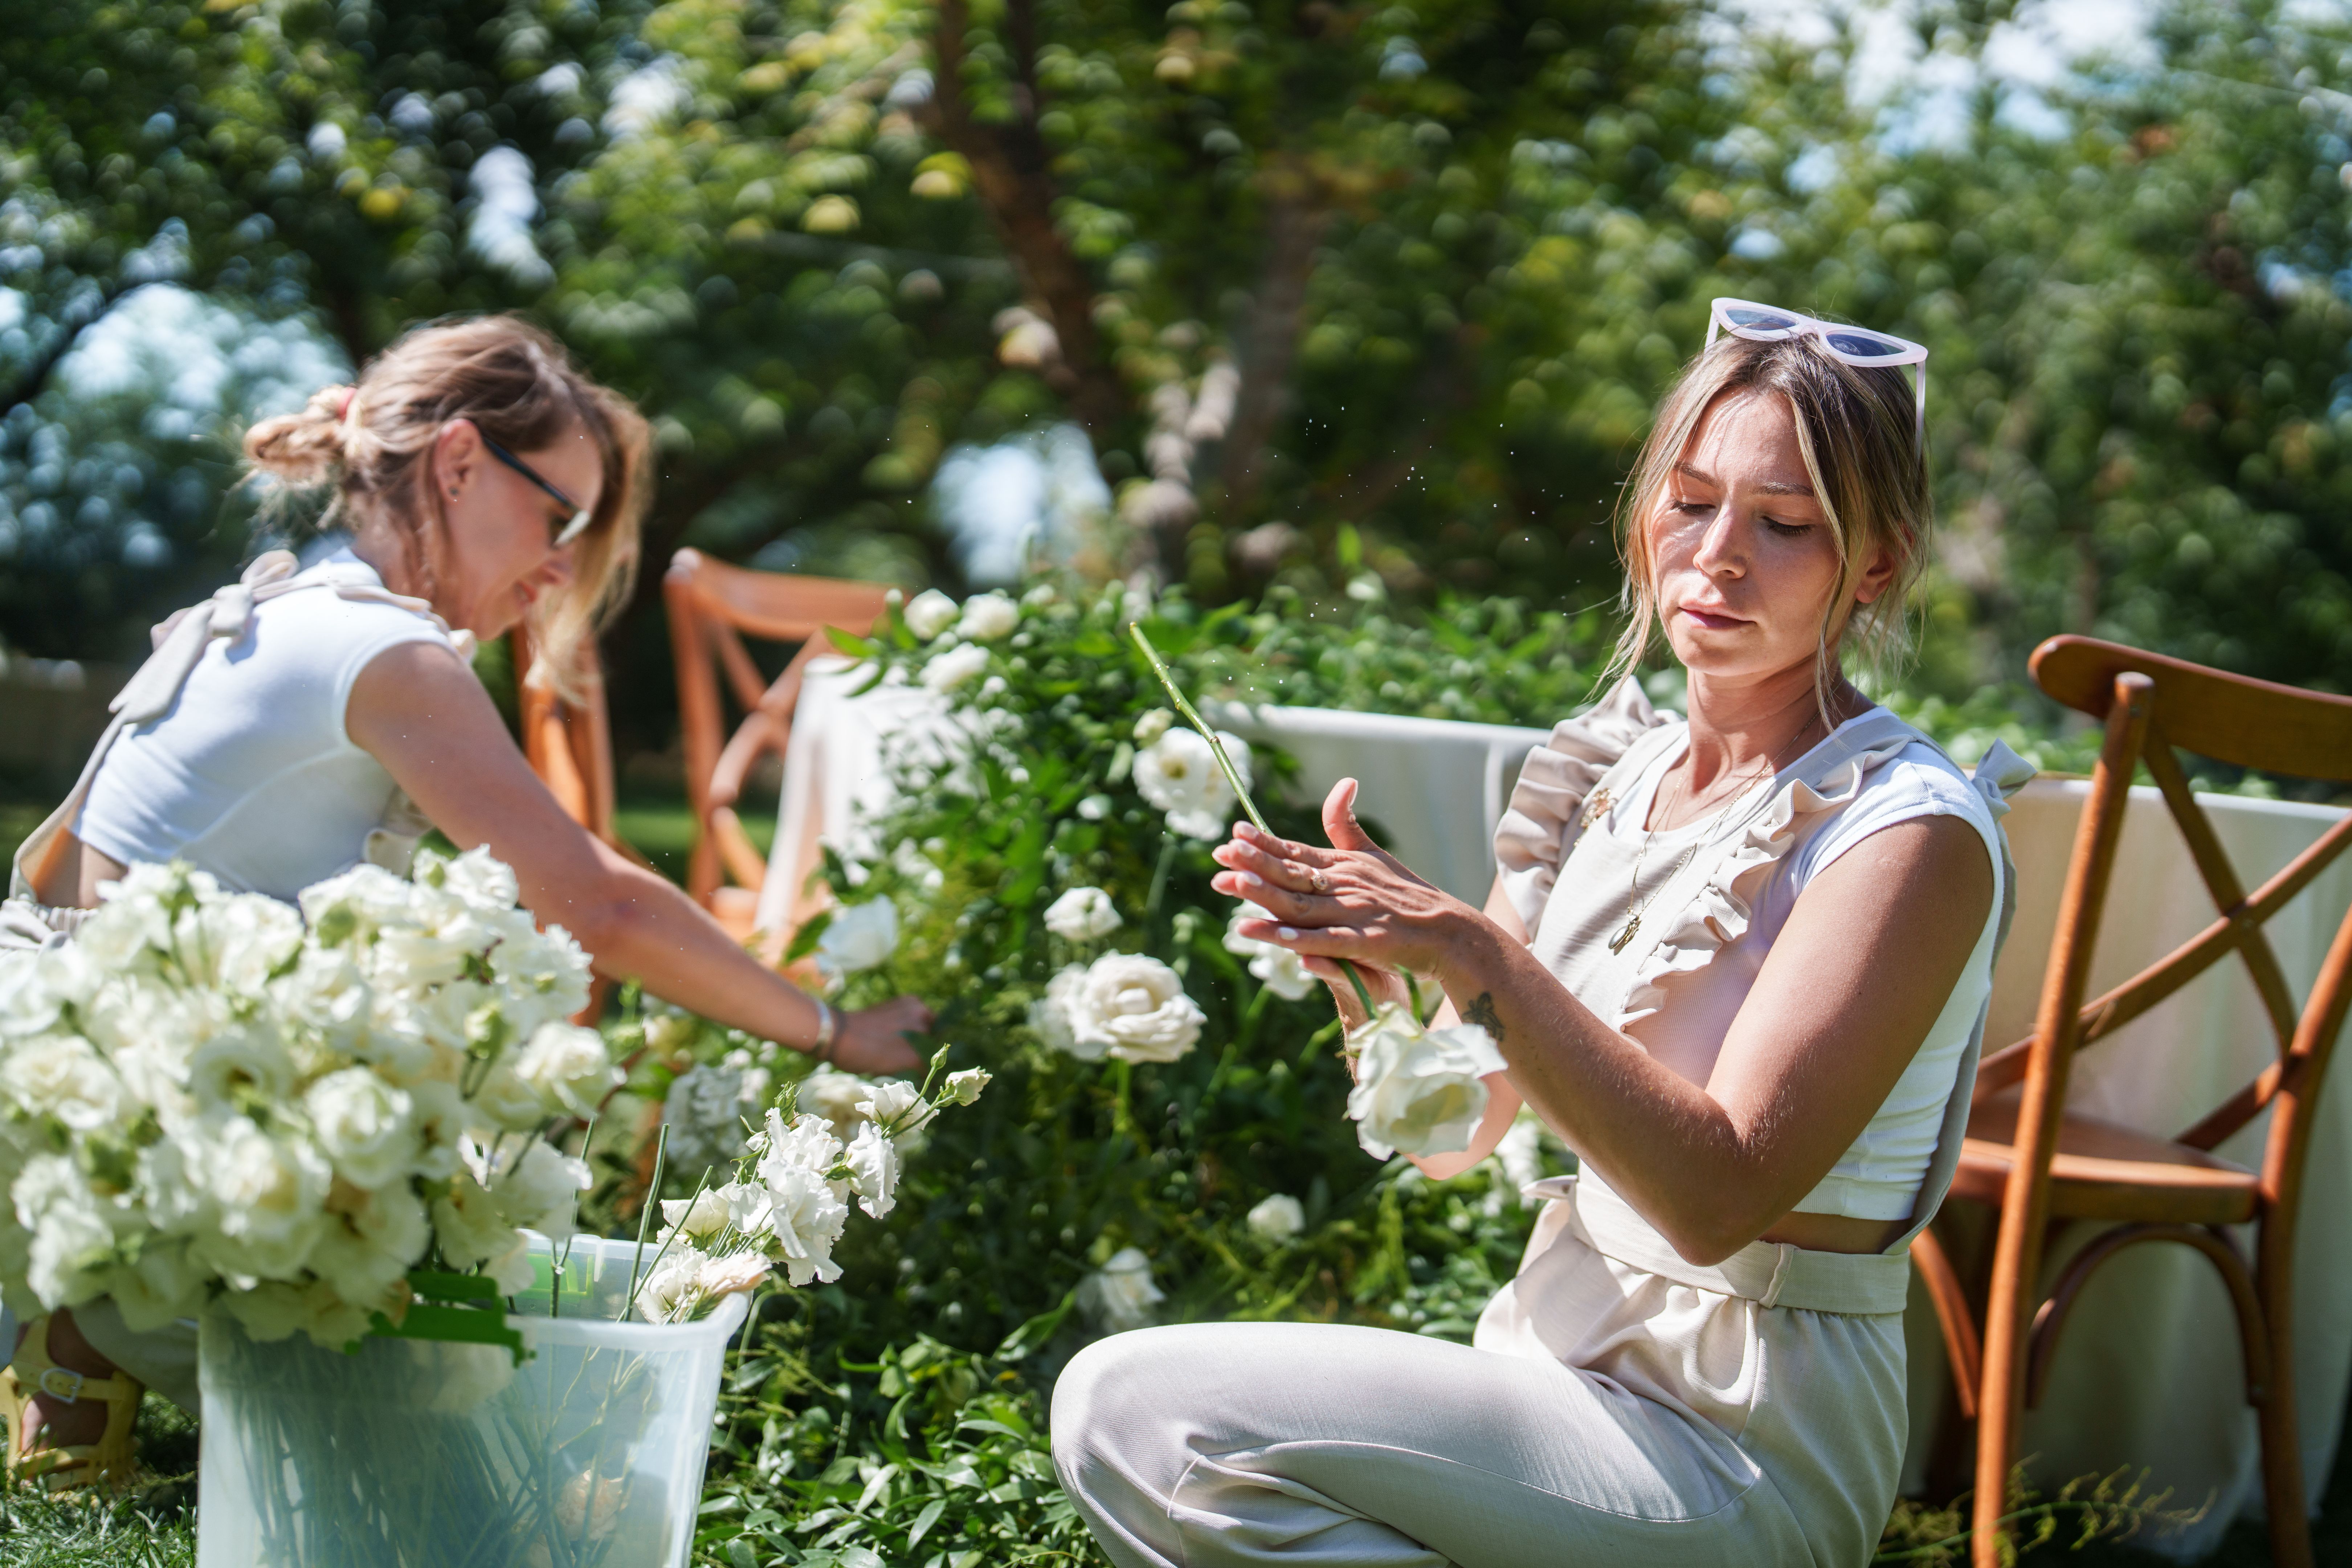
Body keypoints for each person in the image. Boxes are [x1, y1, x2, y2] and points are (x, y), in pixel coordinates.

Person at [1051, 302, 2033, 1567]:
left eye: (1785, 525)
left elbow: (1717, 1197)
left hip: (1743, 1438)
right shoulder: (1608, 773)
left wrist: (1480, 957)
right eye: (1687, 504)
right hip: (1553, 1362)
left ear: (1880, 566)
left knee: (1142, 1417)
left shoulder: (1907, 830)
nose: (1718, 555)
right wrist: (1389, 1000)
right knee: (1142, 1428)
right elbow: (1461, 1139)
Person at [0, 315, 930, 1488]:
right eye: (560, 516)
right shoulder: (386, 652)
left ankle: (73, 1353)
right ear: (456, 463)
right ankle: (104, 1319)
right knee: (504, 1450)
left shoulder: (280, 602)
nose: (557, 566)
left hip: (52, 1088)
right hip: (132, 1138)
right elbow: (600, 909)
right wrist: (837, 1031)